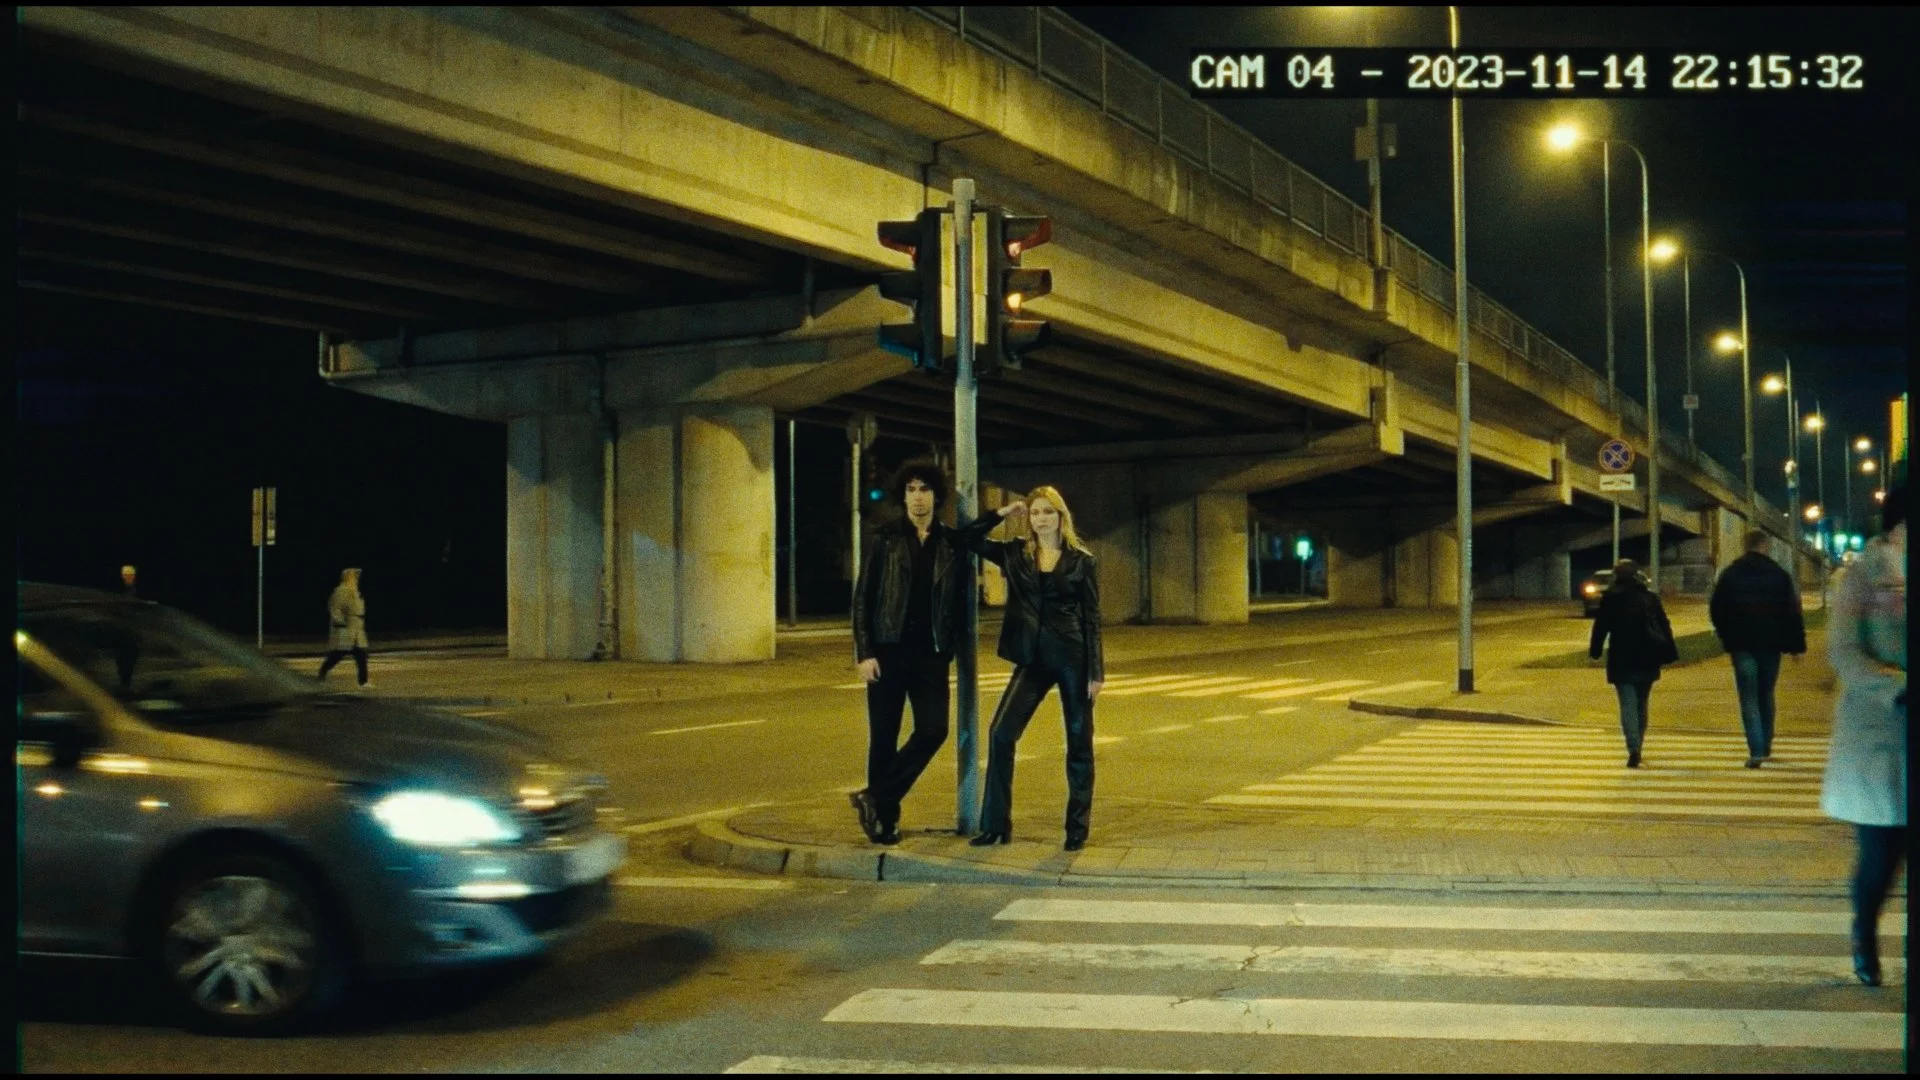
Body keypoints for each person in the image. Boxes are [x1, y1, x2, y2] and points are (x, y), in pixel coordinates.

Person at [951, 486, 1105, 851]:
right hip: (1032, 659)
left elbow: (1092, 618)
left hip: (1072, 658)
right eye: (1035, 513)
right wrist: (1002, 513)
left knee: (1079, 743)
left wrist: (1096, 672)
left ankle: (1077, 829)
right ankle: (995, 825)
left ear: (1061, 517)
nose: (1041, 519)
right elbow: (965, 539)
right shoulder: (1015, 553)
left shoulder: (1082, 561)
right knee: (1001, 733)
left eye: (1048, 512)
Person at [849, 462, 968, 846]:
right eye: (911, 489)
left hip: (931, 654)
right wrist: (865, 652)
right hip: (887, 652)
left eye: (925, 489)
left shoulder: (949, 542)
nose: (918, 497)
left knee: (934, 730)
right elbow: (863, 599)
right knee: (883, 737)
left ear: (936, 495)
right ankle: (884, 821)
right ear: (903, 496)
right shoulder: (884, 539)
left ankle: (875, 796)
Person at [1820, 483, 1905, 987]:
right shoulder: (1863, 576)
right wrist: (1897, 687)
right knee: (1882, 854)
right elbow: (1844, 651)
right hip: (1883, 732)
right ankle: (1864, 936)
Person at [1708, 530, 1808, 767]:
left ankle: (1756, 750)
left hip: (1741, 644)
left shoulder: (1730, 574)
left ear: (1746, 545)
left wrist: (1725, 634)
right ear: (1765, 546)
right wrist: (1796, 645)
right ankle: (1766, 743)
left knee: (1748, 697)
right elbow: (1792, 612)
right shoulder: (1779, 575)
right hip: (1770, 644)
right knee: (1766, 693)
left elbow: (1716, 608)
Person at [1588, 558, 1679, 767]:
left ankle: (1633, 748)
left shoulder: (1611, 599)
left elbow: (1601, 626)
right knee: (1642, 703)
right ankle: (1639, 744)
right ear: (1638, 575)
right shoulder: (1649, 598)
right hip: (1647, 657)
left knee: (1627, 704)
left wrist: (1595, 651)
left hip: (1621, 657)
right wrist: (1670, 652)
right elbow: (1663, 625)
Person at [317, 568, 372, 689]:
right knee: (338, 654)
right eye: (354, 577)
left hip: (356, 627)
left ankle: (363, 681)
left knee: (361, 655)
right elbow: (335, 608)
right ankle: (322, 673)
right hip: (347, 627)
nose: (356, 579)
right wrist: (340, 622)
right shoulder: (341, 591)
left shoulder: (355, 591)